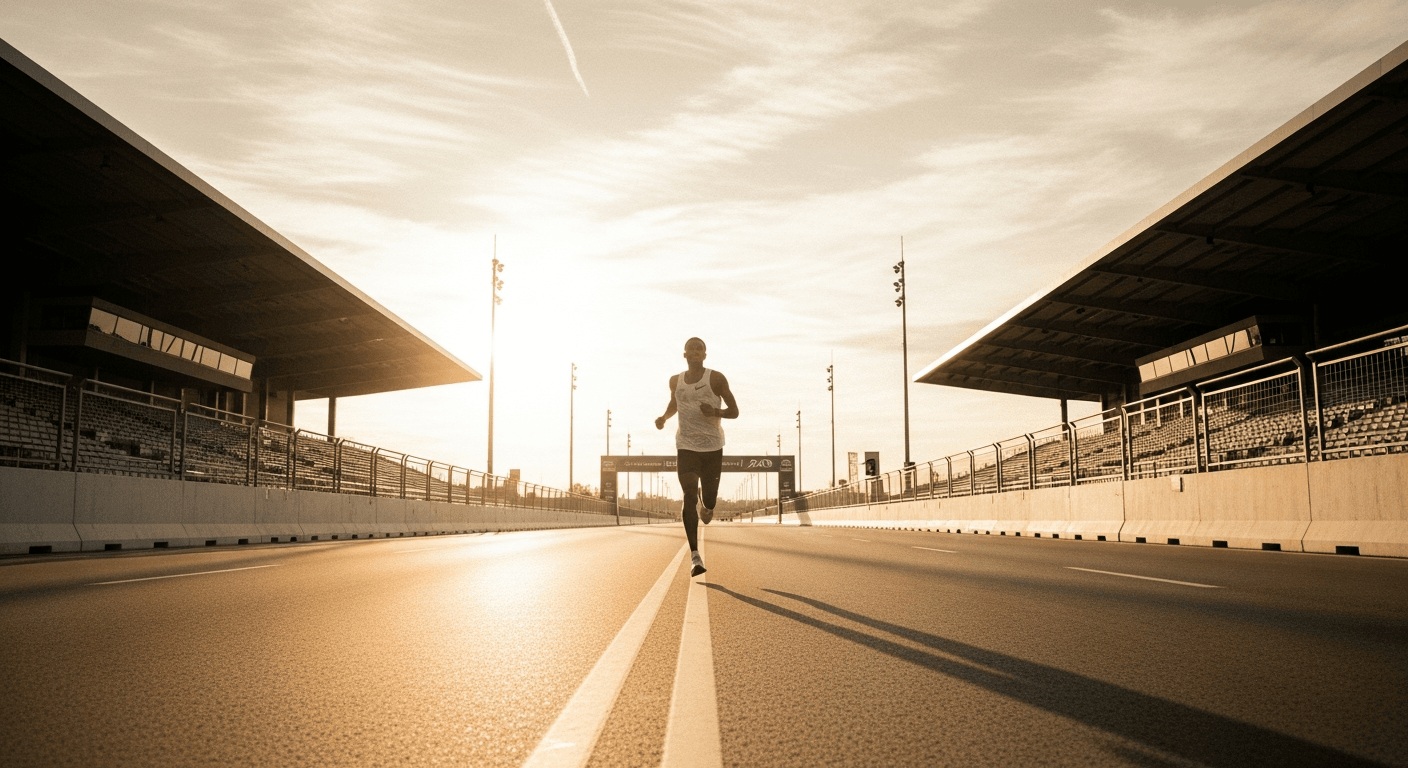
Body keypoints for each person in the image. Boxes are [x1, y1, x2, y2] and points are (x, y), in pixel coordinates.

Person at [655, 337, 739, 576]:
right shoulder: (675, 381)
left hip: (712, 447)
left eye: (699, 349)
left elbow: (734, 411)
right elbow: (675, 402)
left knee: (709, 501)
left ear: (704, 355)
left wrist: (715, 411)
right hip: (686, 445)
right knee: (689, 492)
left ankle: (708, 504)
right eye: (690, 348)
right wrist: (664, 418)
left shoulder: (716, 378)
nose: (694, 352)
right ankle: (695, 556)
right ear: (684, 354)